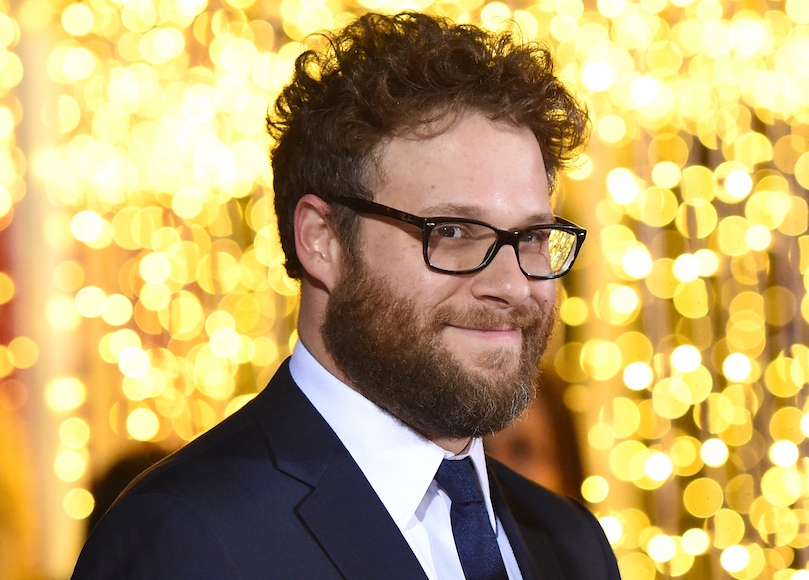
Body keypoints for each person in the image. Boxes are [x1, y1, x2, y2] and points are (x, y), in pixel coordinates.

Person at [72, 11, 620, 579]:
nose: (510, 285)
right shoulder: (188, 538)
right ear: (322, 239)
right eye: (453, 232)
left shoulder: (571, 543)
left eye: (532, 236)